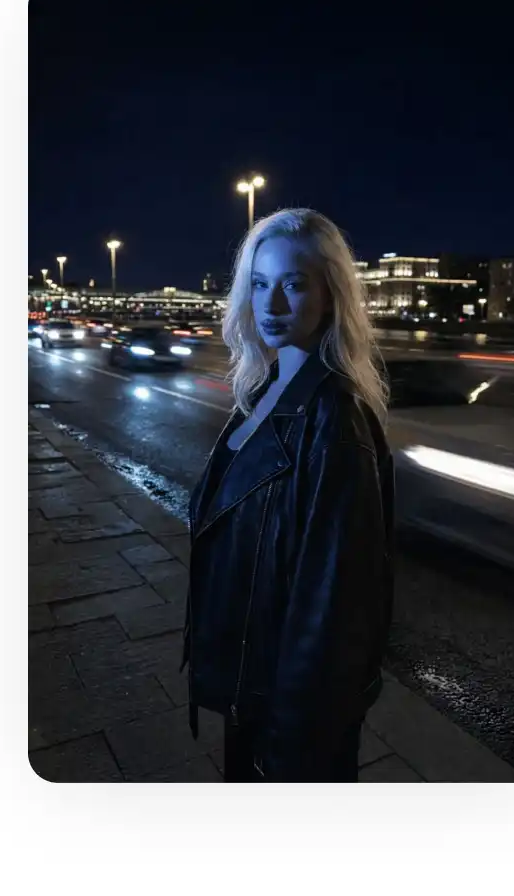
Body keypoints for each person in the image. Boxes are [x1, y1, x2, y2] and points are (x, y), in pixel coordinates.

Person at [182, 208, 394, 781]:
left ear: (332, 294)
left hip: (290, 722)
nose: (270, 306)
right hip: (254, 691)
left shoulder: (335, 420)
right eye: (258, 284)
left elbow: (335, 608)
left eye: (294, 285)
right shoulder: (266, 390)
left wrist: (289, 742)